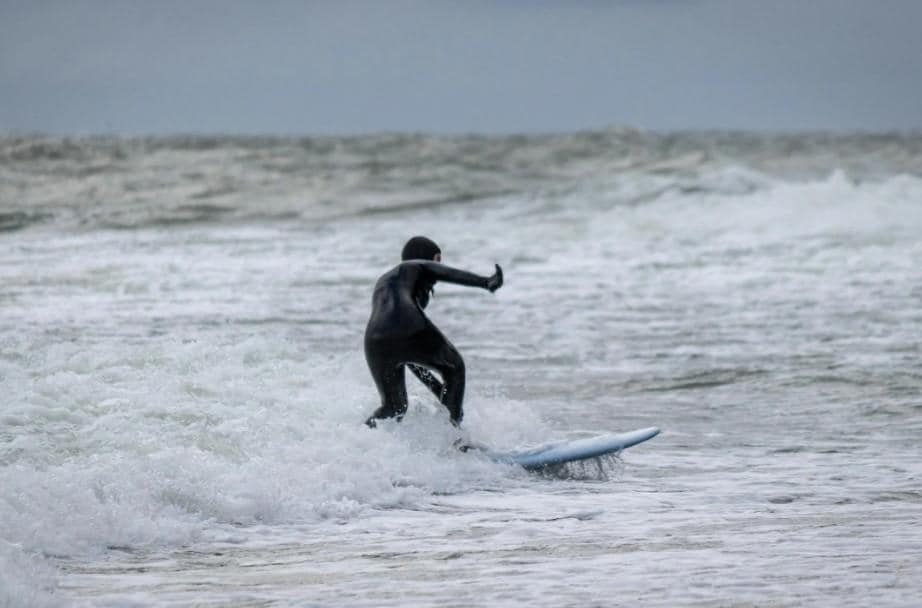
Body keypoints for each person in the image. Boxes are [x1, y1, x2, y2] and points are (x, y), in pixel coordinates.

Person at [364, 236, 503, 428]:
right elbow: (448, 273)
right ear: (427, 258)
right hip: (407, 324)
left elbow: (413, 360)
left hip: (374, 339)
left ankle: (359, 441)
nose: (439, 266)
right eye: (437, 259)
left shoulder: (389, 283)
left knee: (394, 408)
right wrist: (485, 282)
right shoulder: (414, 265)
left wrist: (444, 395)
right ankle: (454, 441)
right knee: (456, 367)